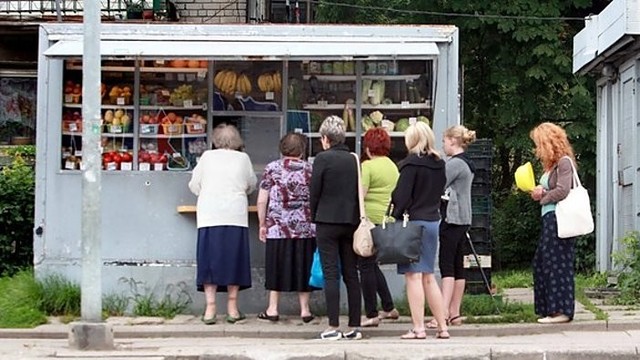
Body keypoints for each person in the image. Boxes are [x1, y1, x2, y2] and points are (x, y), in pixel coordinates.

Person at [188, 123, 257, 325]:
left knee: (209, 260)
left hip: (210, 215)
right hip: (235, 215)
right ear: (237, 141)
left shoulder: (207, 157)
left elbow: (194, 185)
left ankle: (210, 310)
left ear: (216, 140)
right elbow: (251, 184)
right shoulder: (243, 158)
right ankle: (232, 308)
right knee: (234, 260)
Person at [391, 121, 449, 340]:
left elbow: (402, 197)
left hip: (414, 223)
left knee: (413, 276)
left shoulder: (410, 165)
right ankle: (442, 327)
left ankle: (419, 328)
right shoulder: (439, 163)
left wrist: (395, 209)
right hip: (433, 221)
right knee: (429, 276)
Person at [310, 115, 362, 340]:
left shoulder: (322, 159)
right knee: (352, 274)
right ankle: (354, 326)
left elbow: (315, 191)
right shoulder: (353, 158)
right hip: (350, 222)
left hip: (327, 221)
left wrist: (314, 215)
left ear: (325, 138)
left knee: (331, 273)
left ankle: (333, 325)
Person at [256, 133, 316, 323]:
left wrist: (262, 224)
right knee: (303, 266)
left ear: (282, 148)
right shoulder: (310, 170)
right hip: (305, 227)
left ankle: (272, 309)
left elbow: (261, 200)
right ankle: (305, 310)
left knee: (276, 266)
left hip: (277, 226)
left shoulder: (272, 169)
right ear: (302, 150)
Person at [427, 125, 477, 329]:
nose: (443, 145)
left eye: (445, 141)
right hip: (464, 218)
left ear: (453, 141)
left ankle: (443, 312)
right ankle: (455, 312)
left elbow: (437, 183)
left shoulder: (455, 164)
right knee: (458, 267)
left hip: (452, 217)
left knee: (447, 266)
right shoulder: (468, 163)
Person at [529, 122, 576, 324]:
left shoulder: (564, 163)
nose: (537, 149)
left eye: (538, 144)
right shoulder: (552, 166)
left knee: (556, 263)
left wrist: (543, 195)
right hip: (549, 217)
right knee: (542, 262)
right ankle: (548, 308)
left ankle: (560, 310)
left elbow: (563, 190)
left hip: (558, 218)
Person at [358, 128, 400, 328]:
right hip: (387, 221)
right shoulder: (393, 167)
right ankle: (389, 307)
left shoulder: (367, 167)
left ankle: (372, 314)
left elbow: (361, 195)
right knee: (373, 265)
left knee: (365, 266)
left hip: (369, 222)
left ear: (368, 147)